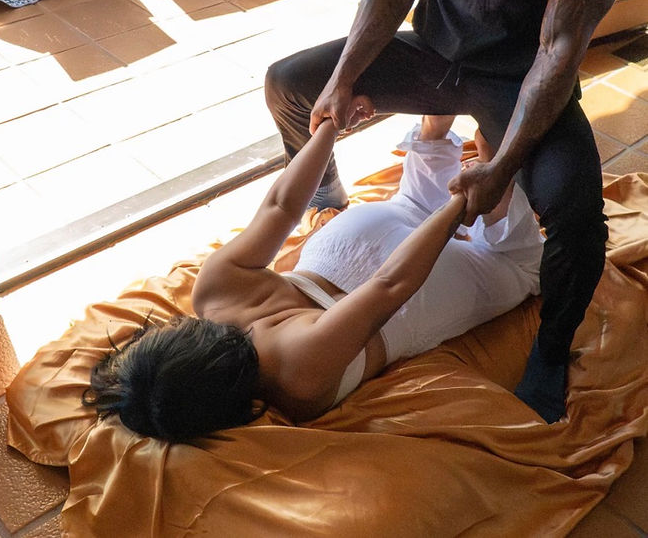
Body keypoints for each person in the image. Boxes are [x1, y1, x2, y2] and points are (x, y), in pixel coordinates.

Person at [263, 0, 635, 423]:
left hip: (515, 79)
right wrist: (346, 75)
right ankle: (327, 197)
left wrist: (505, 164)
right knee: (291, 84)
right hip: (434, 55)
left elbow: (558, 52)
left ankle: (552, 353)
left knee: (579, 216)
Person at [83, 111, 544, 442]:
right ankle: (436, 131)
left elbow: (391, 286)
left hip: (413, 280)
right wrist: (329, 126)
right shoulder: (213, 290)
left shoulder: (297, 376)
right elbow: (282, 206)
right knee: (409, 206)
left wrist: (459, 207)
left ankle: (490, 176)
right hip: (349, 242)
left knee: (518, 267)